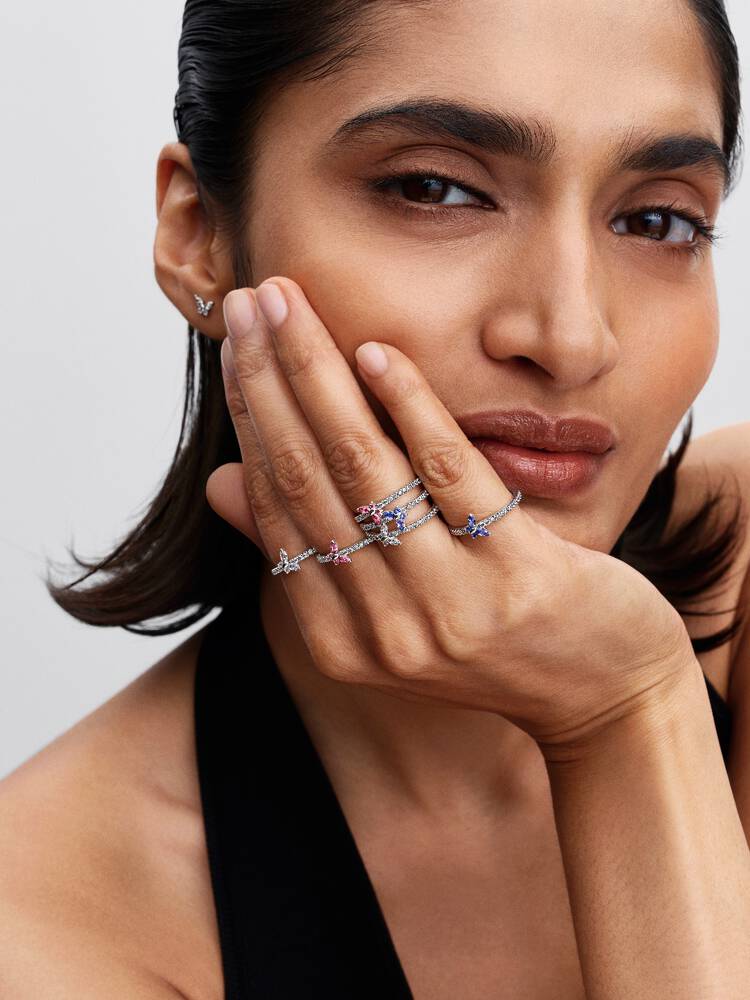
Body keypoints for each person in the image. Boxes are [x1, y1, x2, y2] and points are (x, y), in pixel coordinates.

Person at [2, 0, 750, 996]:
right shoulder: (40, 936)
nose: (572, 338)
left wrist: (635, 710)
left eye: (657, 220)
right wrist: (622, 714)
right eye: (435, 189)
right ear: (200, 233)